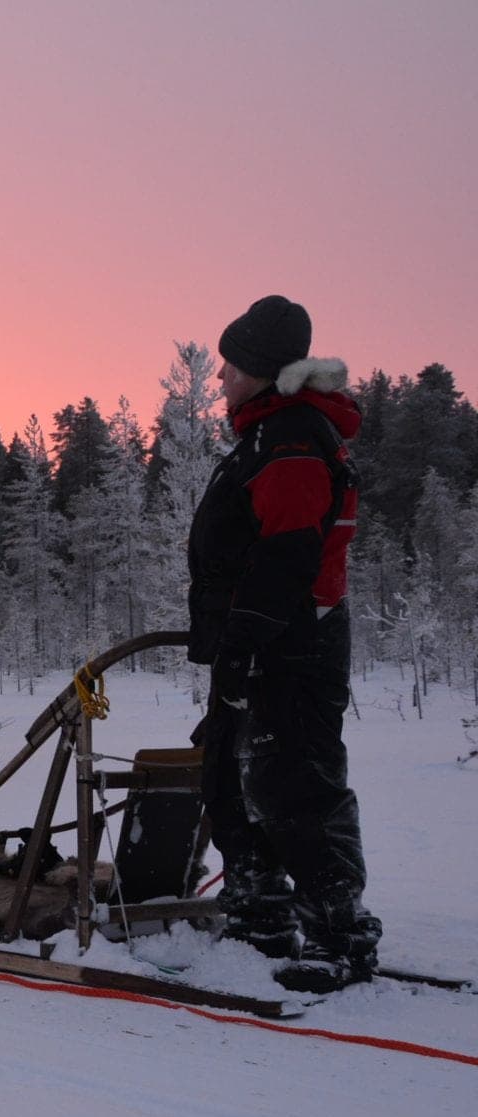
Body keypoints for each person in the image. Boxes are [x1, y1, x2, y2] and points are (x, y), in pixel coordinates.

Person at [188, 295, 377, 993]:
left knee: (292, 782)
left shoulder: (294, 439)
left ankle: (337, 931)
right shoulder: (268, 436)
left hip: (292, 642)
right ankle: (260, 912)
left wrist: (244, 642)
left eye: (231, 365)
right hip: (260, 639)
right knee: (229, 778)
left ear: (265, 371)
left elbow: (287, 557)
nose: (221, 378)